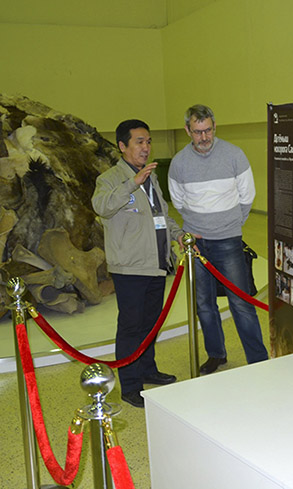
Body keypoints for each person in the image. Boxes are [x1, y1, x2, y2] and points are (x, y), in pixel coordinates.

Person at [168, 105, 269, 375]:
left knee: (241, 302)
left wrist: (231, 224)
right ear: (188, 130)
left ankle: (258, 360)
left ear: (215, 127)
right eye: (198, 132)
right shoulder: (179, 162)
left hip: (228, 241)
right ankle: (216, 354)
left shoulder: (234, 155)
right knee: (204, 304)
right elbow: (178, 201)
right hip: (196, 244)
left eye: (208, 130)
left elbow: (247, 196)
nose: (204, 137)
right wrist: (197, 225)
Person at [92, 119, 183, 408]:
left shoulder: (152, 177)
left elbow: (161, 216)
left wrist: (179, 235)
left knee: (151, 323)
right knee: (131, 327)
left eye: (148, 141)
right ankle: (130, 385)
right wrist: (133, 183)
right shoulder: (110, 178)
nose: (146, 147)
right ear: (122, 146)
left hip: (156, 264)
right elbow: (102, 206)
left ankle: (147, 370)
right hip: (130, 268)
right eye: (139, 142)